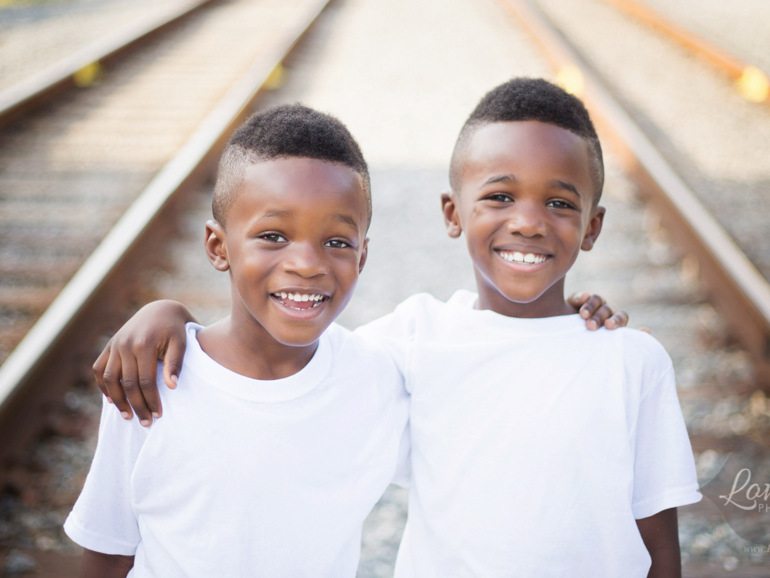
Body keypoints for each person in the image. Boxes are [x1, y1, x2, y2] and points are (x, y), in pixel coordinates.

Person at [97, 78, 695, 577]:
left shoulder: (630, 360)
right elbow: (276, 360)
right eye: (500, 195)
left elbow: (658, 543)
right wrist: (167, 314)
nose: (530, 222)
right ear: (452, 213)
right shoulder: (412, 342)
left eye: (560, 204)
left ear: (592, 226)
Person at [65, 105, 412, 577]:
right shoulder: (152, 380)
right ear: (217, 247)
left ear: (362, 255)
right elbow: (108, 549)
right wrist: (167, 313)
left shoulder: (378, 381)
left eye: (337, 242)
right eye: (273, 235)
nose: (307, 264)